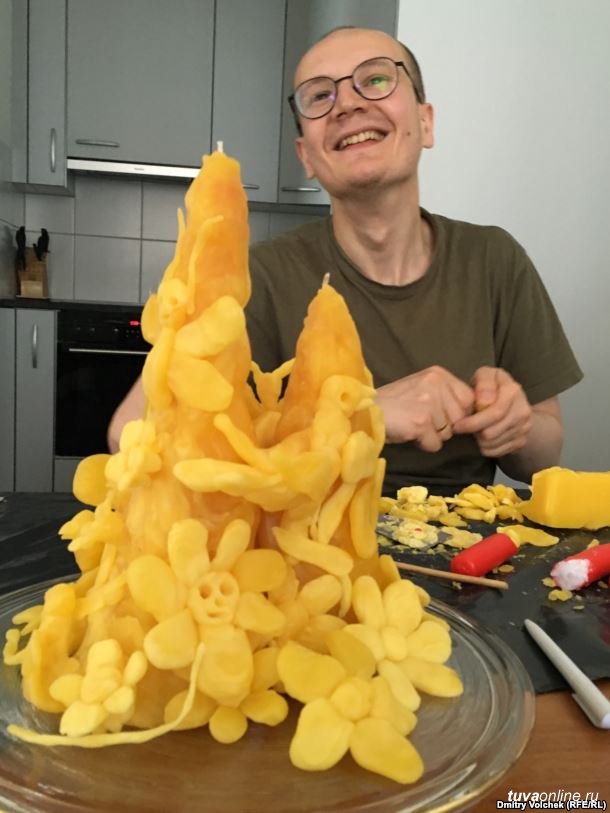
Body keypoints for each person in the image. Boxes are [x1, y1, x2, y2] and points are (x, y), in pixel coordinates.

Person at [109, 26, 582, 495]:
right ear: (306, 157)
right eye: (320, 96)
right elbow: (131, 435)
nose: (348, 104)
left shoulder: (495, 260)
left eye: (376, 79)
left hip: (464, 536)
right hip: (306, 535)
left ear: (426, 123)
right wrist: (359, 416)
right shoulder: (257, 277)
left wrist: (513, 422)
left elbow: (543, 457)